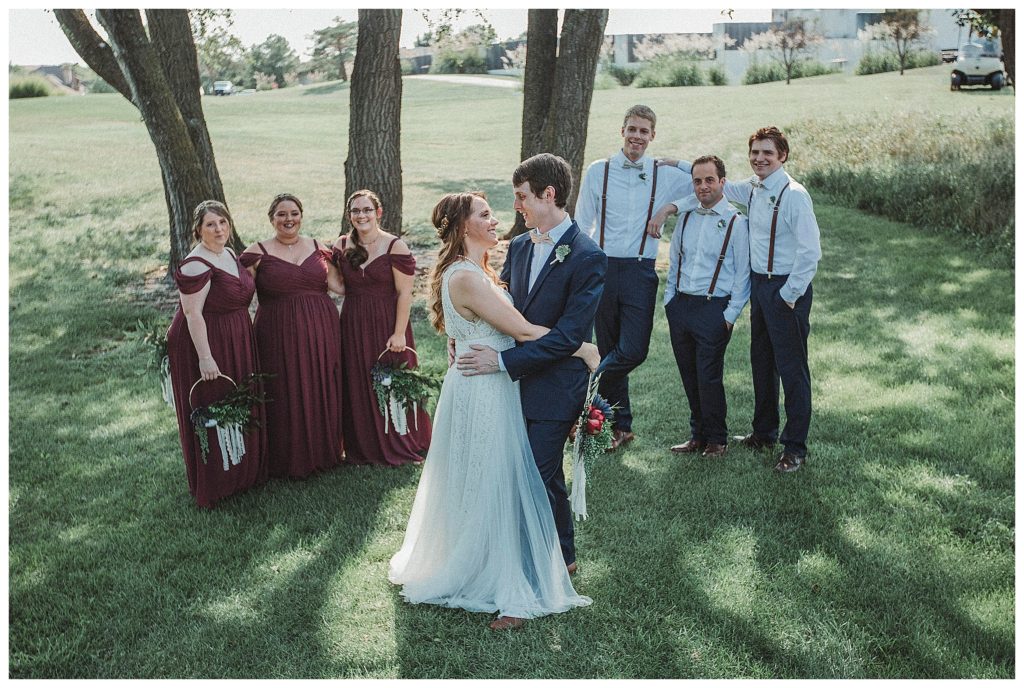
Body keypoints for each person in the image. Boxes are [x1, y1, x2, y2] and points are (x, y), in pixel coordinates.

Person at [390, 191, 596, 631]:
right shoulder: (465, 276)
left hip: (492, 384)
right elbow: (520, 330)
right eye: (484, 214)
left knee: (491, 479)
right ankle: (507, 588)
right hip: (483, 389)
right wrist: (582, 347)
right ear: (465, 226)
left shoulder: (478, 270)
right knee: (495, 481)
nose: (495, 219)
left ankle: (508, 565)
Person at [457, 153, 606, 581]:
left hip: (557, 386)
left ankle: (526, 572)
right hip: (513, 387)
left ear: (548, 194)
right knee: (546, 475)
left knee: (531, 474)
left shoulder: (588, 257)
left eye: (522, 197)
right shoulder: (521, 247)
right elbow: (508, 313)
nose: (516, 206)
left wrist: (502, 361)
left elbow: (566, 338)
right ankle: (564, 554)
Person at [657, 127, 821, 472]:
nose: (760, 158)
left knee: (792, 370)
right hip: (761, 286)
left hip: (786, 288)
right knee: (762, 362)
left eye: (767, 153)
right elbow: (711, 187)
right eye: (755, 153)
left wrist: (789, 295)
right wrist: (674, 178)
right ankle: (764, 432)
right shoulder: (753, 188)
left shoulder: (794, 194)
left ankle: (795, 448)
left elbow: (810, 252)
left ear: (782, 156)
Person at [574, 104, 693, 451]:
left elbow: (709, 182)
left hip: (641, 269)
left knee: (634, 350)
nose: (636, 136)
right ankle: (618, 427)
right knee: (611, 346)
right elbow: (583, 223)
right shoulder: (599, 171)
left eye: (644, 131)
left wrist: (670, 207)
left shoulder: (664, 173)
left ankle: (591, 383)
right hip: (603, 267)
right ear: (622, 130)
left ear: (652, 136)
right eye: (632, 129)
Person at [166, 200, 267, 507]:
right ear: (198, 230)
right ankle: (217, 482)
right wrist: (205, 358)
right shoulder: (196, 264)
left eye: (223, 222)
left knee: (237, 400)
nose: (219, 229)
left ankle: (242, 472)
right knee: (215, 403)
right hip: (206, 340)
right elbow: (193, 314)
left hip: (236, 335)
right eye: (210, 224)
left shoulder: (230, 254)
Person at [651, 156, 750, 458]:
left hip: (714, 309)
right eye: (697, 181)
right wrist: (670, 300)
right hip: (681, 306)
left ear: (723, 182)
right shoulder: (687, 216)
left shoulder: (736, 222)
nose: (703, 186)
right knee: (689, 373)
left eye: (709, 180)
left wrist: (730, 316)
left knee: (708, 375)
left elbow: (743, 275)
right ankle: (697, 435)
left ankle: (717, 439)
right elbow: (676, 260)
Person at [240, 193, 344, 478]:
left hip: (321, 329)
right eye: (282, 214)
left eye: (294, 213)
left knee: (320, 381)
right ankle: (285, 457)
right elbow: (238, 292)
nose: (289, 219)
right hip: (276, 331)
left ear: (301, 215)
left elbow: (338, 285)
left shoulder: (318, 247)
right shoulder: (256, 252)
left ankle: (325, 451)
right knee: (283, 387)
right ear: (271, 218)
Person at [331, 190, 430, 466]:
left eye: (367, 210)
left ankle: (399, 439)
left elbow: (405, 294)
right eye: (355, 211)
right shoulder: (341, 245)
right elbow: (339, 286)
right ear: (349, 215)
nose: (361, 215)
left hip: (388, 321)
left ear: (378, 213)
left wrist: (399, 333)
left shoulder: (394, 246)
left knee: (391, 378)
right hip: (353, 321)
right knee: (358, 379)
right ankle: (362, 445)